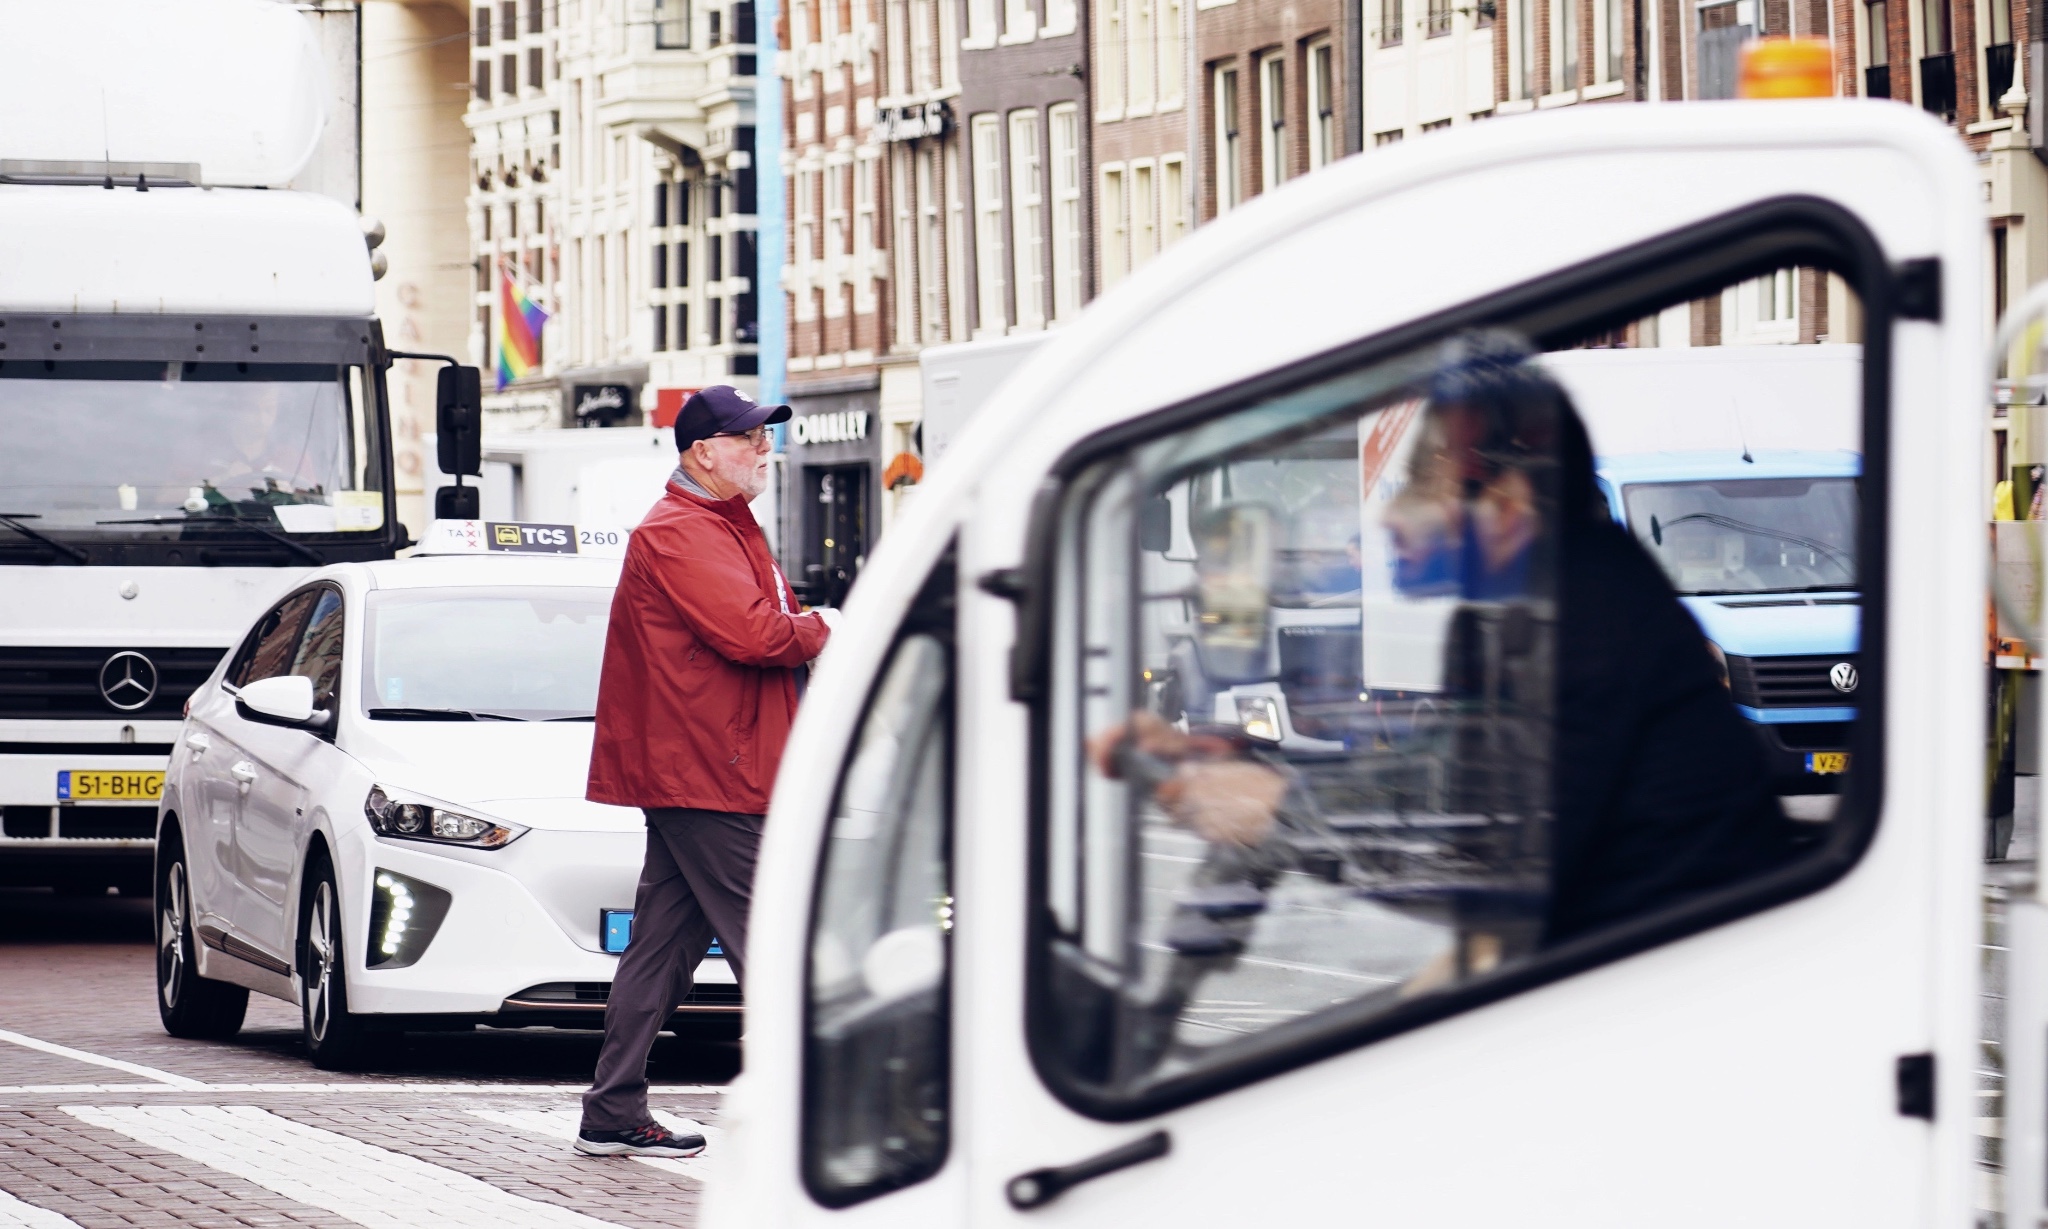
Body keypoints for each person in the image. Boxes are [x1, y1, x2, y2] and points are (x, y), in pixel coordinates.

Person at [575, 385, 831, 1158]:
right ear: (701, 451)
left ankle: (612, 1108)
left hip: (707, 766)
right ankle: (818, 1114)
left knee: (660, 947)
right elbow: (754, 634)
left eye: (764, 435)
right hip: (712, 772)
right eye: (749, 436)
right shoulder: (683, 530)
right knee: (780, 941)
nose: (764, 448)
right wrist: (829, 627)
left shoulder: (718, 522)